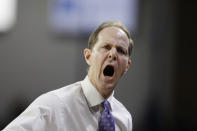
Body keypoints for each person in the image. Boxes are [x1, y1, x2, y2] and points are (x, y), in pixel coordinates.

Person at [3, 21, 134, 131]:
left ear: (127, 65)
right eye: (106, 47)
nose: (113, 54)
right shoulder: (52, 106)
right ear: (88, 56)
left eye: (121, 50)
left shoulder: (124, 118)